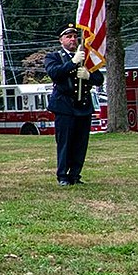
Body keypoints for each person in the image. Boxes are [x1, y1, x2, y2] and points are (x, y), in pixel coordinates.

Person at [44, 24, 104, 186]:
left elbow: (99, 79)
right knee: (65, 142)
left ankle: (75, 174)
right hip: (64, 105)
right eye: (68, 37)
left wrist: (89, 75)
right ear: (61, 40)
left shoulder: (87, 57)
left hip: (83, 105)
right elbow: (54, 73)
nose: (72, 39)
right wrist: (72, 62)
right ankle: (63, 175)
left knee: (80, 142)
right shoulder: (54, 57)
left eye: (74, 36)